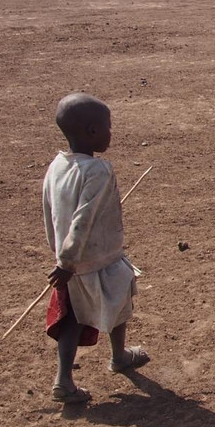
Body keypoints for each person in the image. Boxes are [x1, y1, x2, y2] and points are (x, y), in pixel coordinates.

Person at [43, 94, 149, 404]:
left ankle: (64, 379)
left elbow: (50, 211)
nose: (111, 133)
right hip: (99, 257)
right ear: (91, 131)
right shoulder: (98, 171)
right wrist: (68, 259)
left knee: (72, 317)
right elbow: (83, 217)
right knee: (119, 301)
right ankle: (119, 357)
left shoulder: (57, 165)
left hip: (70, 262)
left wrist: (61, 256)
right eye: (108, 127)